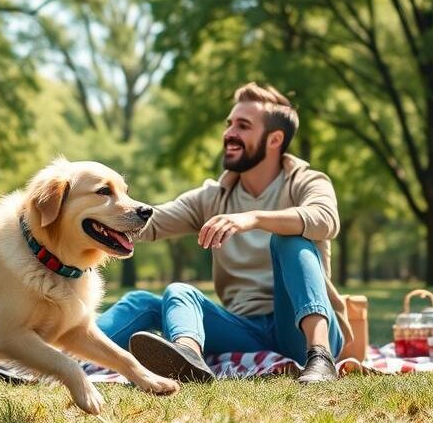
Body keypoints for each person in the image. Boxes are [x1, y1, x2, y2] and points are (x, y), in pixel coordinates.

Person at [96, 82, 350, 384]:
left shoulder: (306, 181)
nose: (229, 133)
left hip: (300, 330)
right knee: (168, 294)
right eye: (229, 124)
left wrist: (253, 218)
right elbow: (152, 221)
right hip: (244, 330)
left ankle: (320, 358)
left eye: (243, 126)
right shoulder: (214, 196)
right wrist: (87, 213)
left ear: (275, 139)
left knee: (290, 239)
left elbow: (324, 219)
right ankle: (185, 356)